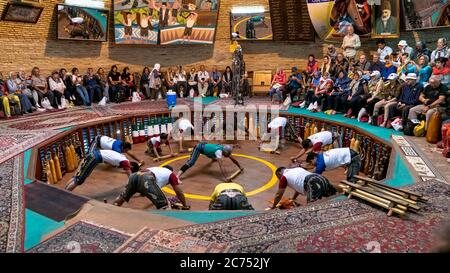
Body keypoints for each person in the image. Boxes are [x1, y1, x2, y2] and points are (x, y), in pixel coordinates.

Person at [113, 165, 190, 210]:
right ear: (171, 171)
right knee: (164, 205)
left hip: (134, 176)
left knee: (122, 197)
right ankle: (167, 224)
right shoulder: (170, 174)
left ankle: (112, 209)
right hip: (146, 179)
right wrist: (185, 205)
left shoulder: (156, 169)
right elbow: (179, 192)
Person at [65, 149, 139, 191]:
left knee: (76, 177)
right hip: (94, 158)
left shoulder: (123, 158)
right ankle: (65, 194)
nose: (127, 171)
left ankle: (64, 191)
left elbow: (108, 160)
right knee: (79, 180)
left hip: (93, 155)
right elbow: (130, 176)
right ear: (131, 167)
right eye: (130, 169)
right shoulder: (125, 163)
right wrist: (136, 187)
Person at [270, 167, 337, 208]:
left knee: (310, 207)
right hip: (320, 178)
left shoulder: (284, 177)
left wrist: (274, 205)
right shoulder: (296, 169)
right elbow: (297, 184)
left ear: (279, 174)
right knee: (335, 196)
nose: (279, 180)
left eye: (278, 178)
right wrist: (293, 198)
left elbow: (279, 194)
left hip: (312, 182)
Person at [177, 143, 243, 181]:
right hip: (199, 148)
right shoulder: (219, 152)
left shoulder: (225, 148)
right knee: (191, 162)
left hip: (206, 147)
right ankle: (177, 176)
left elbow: (233, 159)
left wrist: (240, 166)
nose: (228, 156)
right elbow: (221, 166)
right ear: (224, 152)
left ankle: (212, 157)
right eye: (227, 154)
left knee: (213, 154)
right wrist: (226, 177)